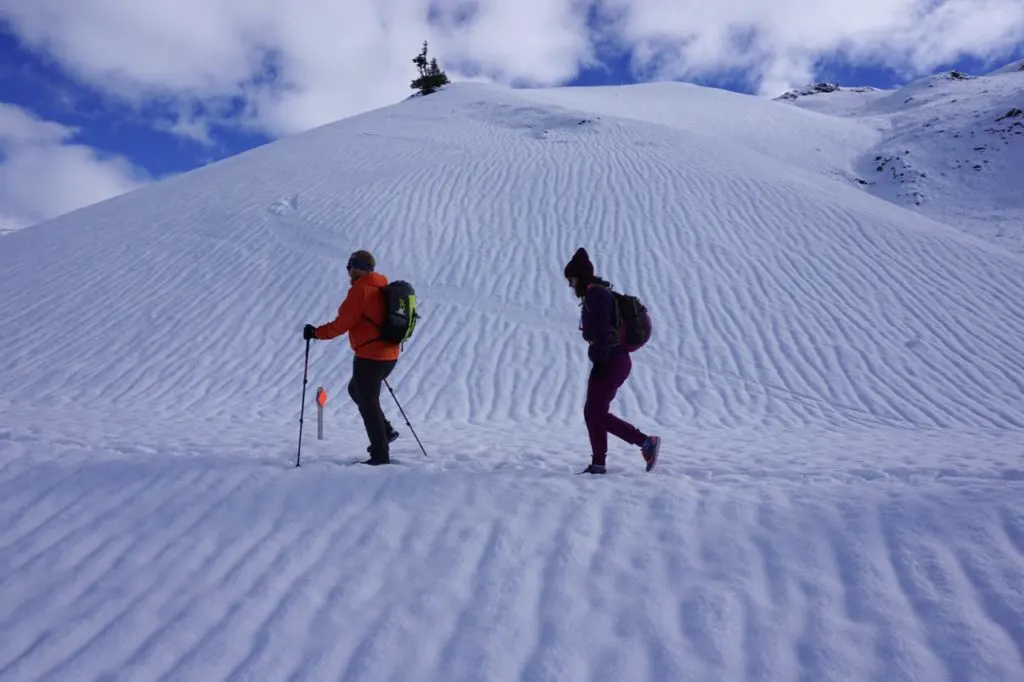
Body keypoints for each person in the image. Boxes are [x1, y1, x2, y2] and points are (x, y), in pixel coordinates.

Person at [563, 247, 660, 474]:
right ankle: (598, 464)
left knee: (596, 412)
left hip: (611, 361)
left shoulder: (597, 296)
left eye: (571, 279)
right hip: (612, 360)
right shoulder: (596, 293)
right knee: (592, 412)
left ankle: (646, 442)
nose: (570, 285)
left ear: (580, 276)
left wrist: (599, 356)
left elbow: (605, 331)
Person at [304, 250, 401, 465]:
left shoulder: (361, 291)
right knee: (356, 390)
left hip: (370, 356)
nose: (348, 272)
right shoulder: (382, 287)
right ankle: (385, 431)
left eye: (350, 267)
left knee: (368, 402)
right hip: (389, 355)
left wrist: (315, 333)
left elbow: (341, 324)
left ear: (358, 268)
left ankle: (380, 455)